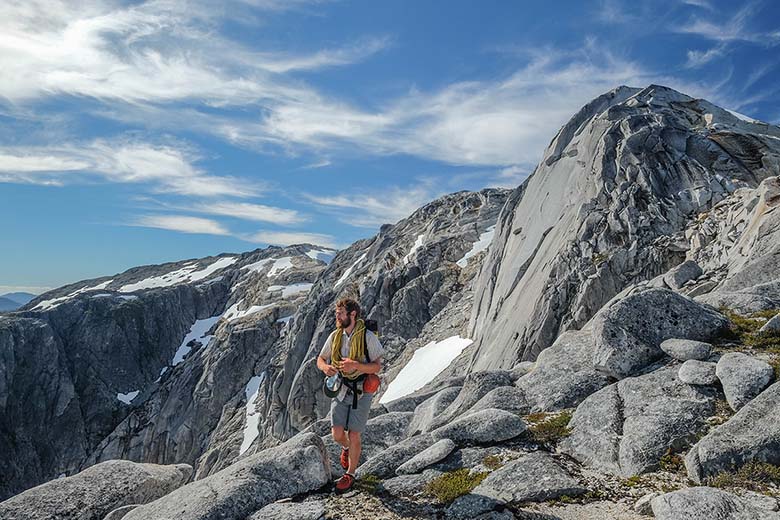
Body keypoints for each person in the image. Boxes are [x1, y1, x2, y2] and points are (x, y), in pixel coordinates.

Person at [317, 298, 384, 493]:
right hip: (341, 388)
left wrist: (356, 366)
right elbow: (320, 358)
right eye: (336, 313)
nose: (336, 316)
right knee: (337, 434)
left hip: (361, 391)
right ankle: (346, 448)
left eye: (340, 313)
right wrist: (325, 367)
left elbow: (377, 366)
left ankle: (350, 473)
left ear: (352, 314)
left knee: (354, 433)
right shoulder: (335, 336)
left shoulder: (368, 337)